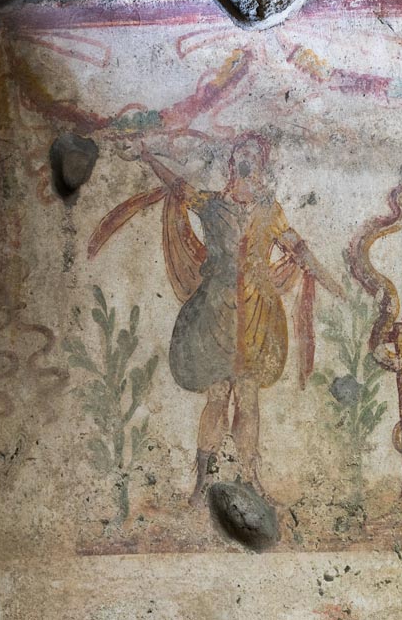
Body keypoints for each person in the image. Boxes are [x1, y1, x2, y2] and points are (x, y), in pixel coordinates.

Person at [90, 133, 342, 504]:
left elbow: (298, 247)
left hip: (257, 313)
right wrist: (146, 156)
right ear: (233, 163)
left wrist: (333, 283)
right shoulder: (211, 205)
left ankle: (250, 479)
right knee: (218, 394)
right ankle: (202, 483)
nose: (246, 162)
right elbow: (177, 186)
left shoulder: (269, 210)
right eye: (241, 155)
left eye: (253, 157)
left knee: (249, 396)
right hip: (217, 311)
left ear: (261, 165)